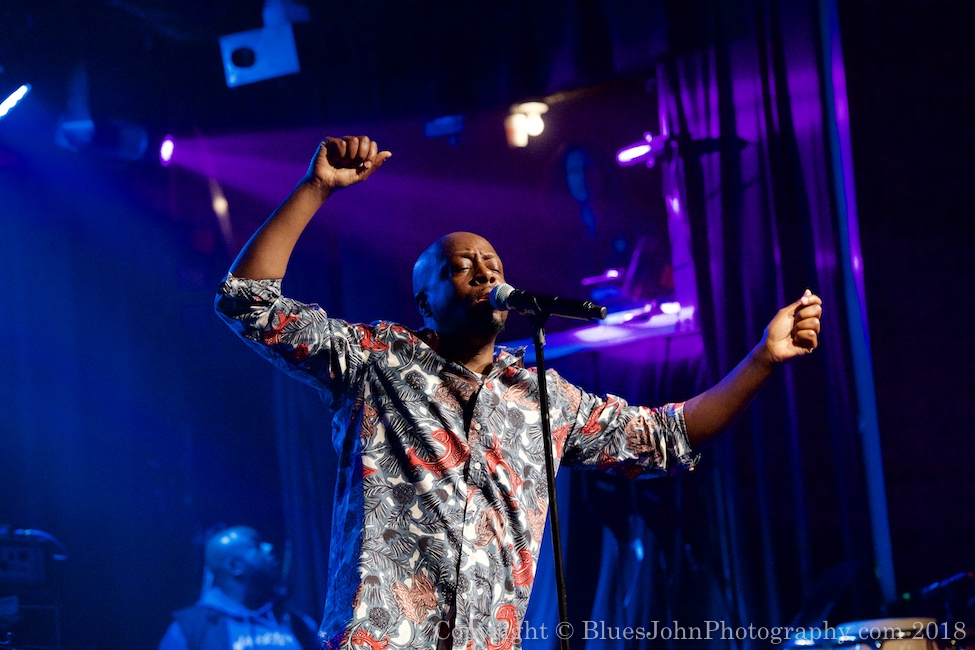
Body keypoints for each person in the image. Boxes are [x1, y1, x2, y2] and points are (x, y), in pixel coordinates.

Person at [214, 136, 823, 650]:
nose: (485, 271)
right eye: (461, 264)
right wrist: (315, 188)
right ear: (424, 298)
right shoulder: (378, 361)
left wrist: (762, 360)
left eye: (493, 262)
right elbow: (248, 301)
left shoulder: (539, 397)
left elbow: (665, 437)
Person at [158, 526, 319, 650]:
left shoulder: (299, 624)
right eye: (256, 545)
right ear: (235, 566)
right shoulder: (190, 629)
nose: (269, 547)